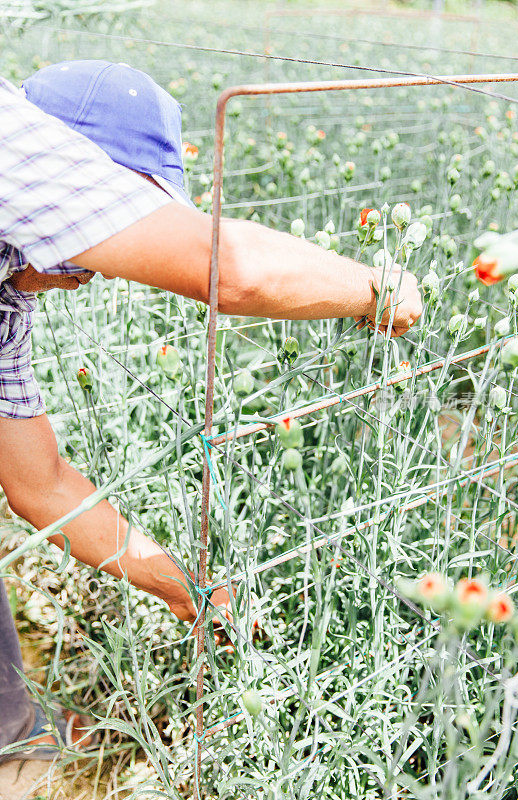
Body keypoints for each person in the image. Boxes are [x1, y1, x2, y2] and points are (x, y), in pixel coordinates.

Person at [0, 61, 422, 763]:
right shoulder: (14, 143)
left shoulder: (7, 299)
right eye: (133, 207)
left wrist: (185, 588)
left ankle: (9, 732)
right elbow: (233, 268)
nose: (100, 268)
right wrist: (379, 288)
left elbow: (39, 484)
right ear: (79, 173)